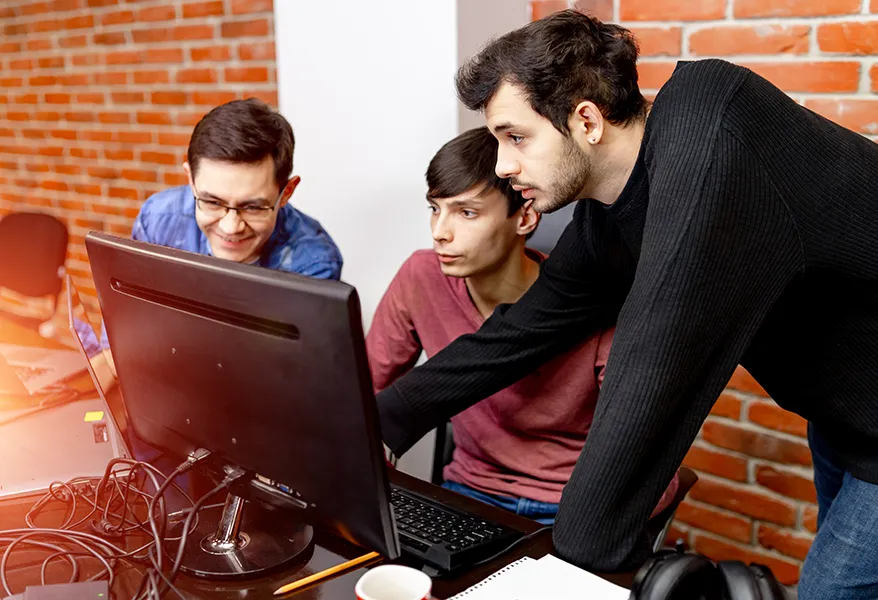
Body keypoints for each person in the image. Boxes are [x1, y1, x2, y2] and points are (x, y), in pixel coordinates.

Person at [374, 10, 878, 599]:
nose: (504, 167)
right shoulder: (606, 221)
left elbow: (654, 355)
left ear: (585, 118)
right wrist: (380, 423)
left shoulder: (712, 124)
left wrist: (573, 564)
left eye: (516, 137)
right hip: (845, 416)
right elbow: (515, 337)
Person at [367, 126, 678, 524]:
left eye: (466, 212)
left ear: (525, 217)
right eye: (434, 209)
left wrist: (590, 527)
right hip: (467, 492)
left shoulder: (595, 306)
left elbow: (643, 455)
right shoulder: (421, 277)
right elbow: (365, 389)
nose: (439, 233)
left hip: (567, 508)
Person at [131, 97, 342, 278]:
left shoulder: (314, 262)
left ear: (286, 192)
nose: (230, 227)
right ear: (191, 181)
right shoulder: (157, 220)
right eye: (212, 202)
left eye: (252, 207)